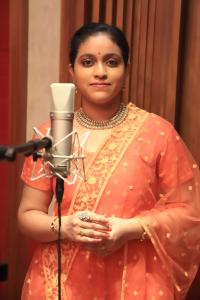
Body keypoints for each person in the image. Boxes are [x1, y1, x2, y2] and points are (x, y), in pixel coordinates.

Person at [18, 22, 200, 300]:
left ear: (126, 69)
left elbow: (191, 212)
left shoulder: (156, 133)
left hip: (135, 279)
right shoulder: (50, 134)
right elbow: (28, 215)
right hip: (59, 281)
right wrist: (65, 226)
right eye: (87, 62)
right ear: (72, 71)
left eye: (112, 62)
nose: (100, 72)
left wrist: (130, 229)